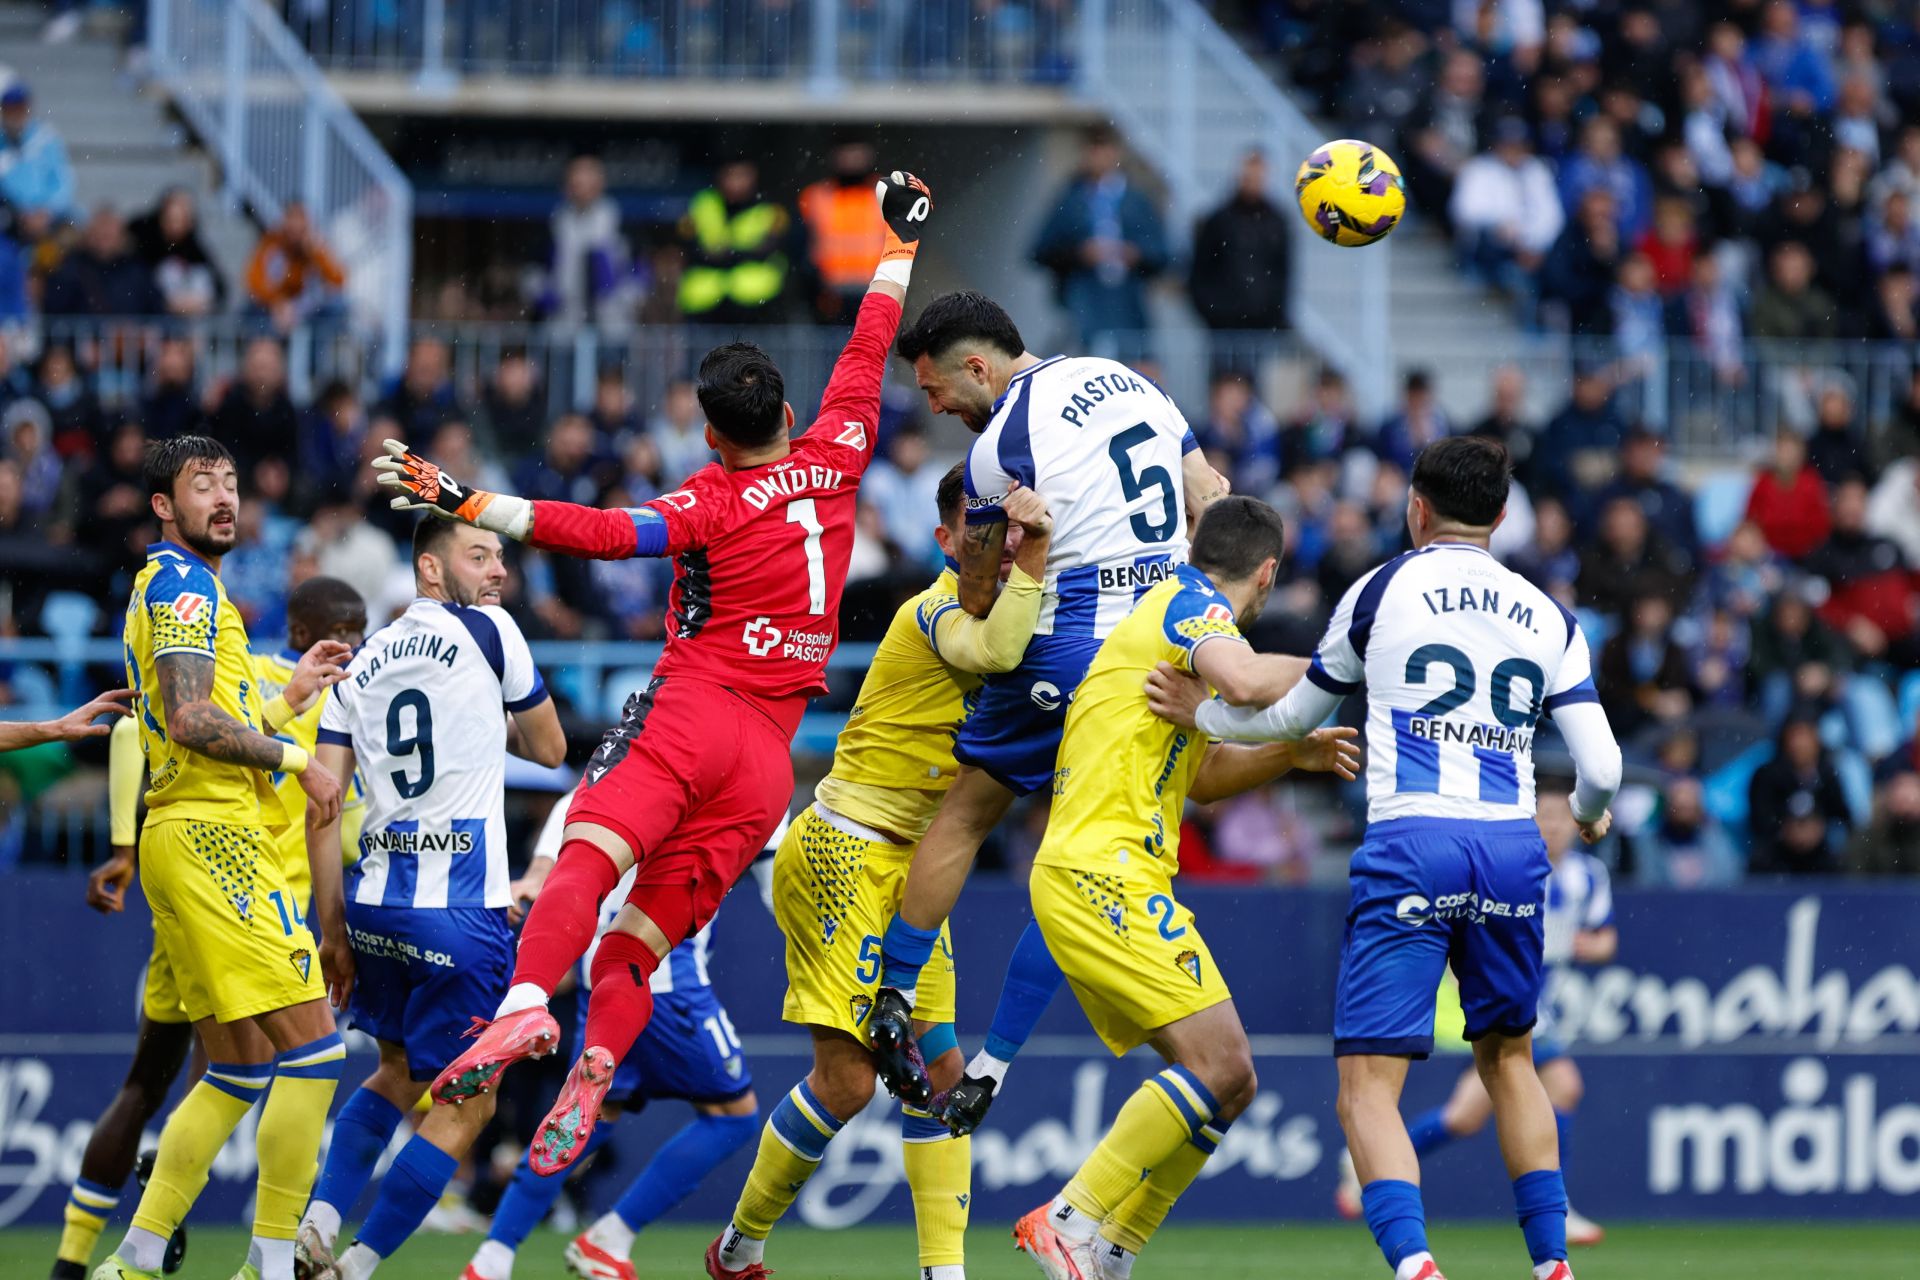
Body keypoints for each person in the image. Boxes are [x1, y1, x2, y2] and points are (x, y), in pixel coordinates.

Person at [378, 173, 932, 1181]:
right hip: (770, 764)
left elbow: (602, 532)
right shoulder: (843, 446)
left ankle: (520, 1011)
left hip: (692, 712)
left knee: (587, 851)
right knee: (639, 941)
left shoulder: (712, 500)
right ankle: (597, 1059)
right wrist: (897, 244)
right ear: (791, 408)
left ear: (712, 434)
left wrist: (469, 500)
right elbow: (869, 341)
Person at [1157, 437, 1622, 1280]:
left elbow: (1294, 717)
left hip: (1414, 842)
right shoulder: (1549, 615)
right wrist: (1587, 817)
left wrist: (1204, 718)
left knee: (1369, 1087)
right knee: (1511, 1058)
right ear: (1504, 518)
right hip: (1513, 847)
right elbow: (1602, 769)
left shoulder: (1382, 589)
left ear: (1415, 507)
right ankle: (1552, 1265)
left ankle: (1415, 1268)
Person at [864, 288, 1231, 1107]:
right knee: (1086, 853)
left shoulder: (1001, 446)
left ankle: (891, 992)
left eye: (934, 392)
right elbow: (1210, 496)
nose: (934, 408)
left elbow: (982, 593)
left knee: (965, 814)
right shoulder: (1134, 382)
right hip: (1162, 647)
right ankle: (993, 1062)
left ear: (976, 365)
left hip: (1067, 650)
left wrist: (1013, 556)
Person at [709, 465, 1051, 1280]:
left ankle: (944, 1273)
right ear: (945, 542)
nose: (1000, 554)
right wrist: (1033, 561)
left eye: (1009, 540)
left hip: (915, 866)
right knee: (850, 1082)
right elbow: (996, 647)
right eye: (983, 537)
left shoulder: (1025, 612)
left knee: (941, 1073)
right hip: (844, 851)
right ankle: (740, 1247)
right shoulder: (932, 610)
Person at [1011, 497, 1360, 1278]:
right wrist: (1349, 663)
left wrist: (1289, 755)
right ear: (1267, 573)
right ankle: (1070, 1218)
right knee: (1223, 1066)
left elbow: (1201, 778)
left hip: (1109, 872)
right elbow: (1244, 681)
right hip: (1102, 872)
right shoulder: (1191, 608)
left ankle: (1110, 1251)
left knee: (1230, 1083)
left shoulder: (1171, 619)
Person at [92, 436, 352, 1280]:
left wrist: (287, 703)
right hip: (213, 836)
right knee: (317, 1053)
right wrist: (298, 758)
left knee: (238, 1068)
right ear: (164, 506)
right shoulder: (183, 585)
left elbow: (202, 725)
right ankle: (272, 1266)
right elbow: (191, 719)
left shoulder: (187, 590)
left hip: (185, 830)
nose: (224, 497)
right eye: (202, 484)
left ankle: (131, 1263)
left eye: (232, 482)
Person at [295, 519, 566, 1280]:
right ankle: (357, 1264)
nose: (498, 572)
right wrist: (490, 729)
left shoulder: (364, 657)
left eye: (502, 559)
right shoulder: (491, 632)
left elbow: (323, 802)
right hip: (462, 910)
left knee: (394, 1073)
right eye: (478, 556)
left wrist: (334, 928)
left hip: (375, 902)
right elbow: (549, 750)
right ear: (429, 566)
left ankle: (317, 1223)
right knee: (471, 1103)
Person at [462, 792, 768, 1280]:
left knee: (580, 1121)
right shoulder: (733, 769)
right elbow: (775, 878)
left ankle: (491, 1260)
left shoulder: (595, 783)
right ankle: (610, 1238)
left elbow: (550, 869)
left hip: (598, 981)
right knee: (733, 1116)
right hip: (667, 977)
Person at [1336, 791, 1615, 1249]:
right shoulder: (1510, 869)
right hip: (1502, 998)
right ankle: (1556, 1212)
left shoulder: (1588, 877)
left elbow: (1606, 939)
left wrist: (1589, 946)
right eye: (1543, 816)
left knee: (1465, 1117)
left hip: (1539, 1003)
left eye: (1560, 817)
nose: (1553, 826)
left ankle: (1363, 1159)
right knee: (1563, 1084)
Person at [1030, 126, 1169, 352]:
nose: (1099, 157)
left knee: (1135, 363)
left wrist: (1136, 254)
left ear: (1117, 153)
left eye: (1104, 149)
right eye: (1093, 150)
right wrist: (1080, 254)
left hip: (1129, 301)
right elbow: (1041, 250)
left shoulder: (1137, 200)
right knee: (1087, 362)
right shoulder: (1070, 200)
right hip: (1083, 300)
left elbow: (1163, 253)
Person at [1188, 149, 1292, 334]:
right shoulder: (1219, 220)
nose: (1253, 182)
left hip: (1262, 324)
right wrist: (1213, 311)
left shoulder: (1277, 222)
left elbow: (1283, 271)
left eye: (1258, 176)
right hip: (1223, 324)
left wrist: (1273, 313)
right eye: (1249, 176)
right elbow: (1201, 269)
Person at [677, 159, 790, 323]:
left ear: (754, 176)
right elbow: (689, 247)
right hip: (704, 302)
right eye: (731, 175)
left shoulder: (770, 209)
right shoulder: (701, 203)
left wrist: (723, 254)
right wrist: (740, 253)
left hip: (755, 301)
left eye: (742, 175)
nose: (735, 183)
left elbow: (770, 250)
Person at [798, 139, 886, 324]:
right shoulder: (817, 196)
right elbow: (804, 243)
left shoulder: (886, 193)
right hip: (830, 294)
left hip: (875, 291)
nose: (852, 163)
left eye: (857, 156)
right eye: (847, 156)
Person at [245, 202, 347, 331]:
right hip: (274, 310)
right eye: (292, 222)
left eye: (300, 226)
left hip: (306, 311)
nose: (295, 230)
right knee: (252, 310)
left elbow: (338, 280)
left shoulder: (315, 250)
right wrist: (278, 303)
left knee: (337, 308)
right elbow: (254, 281)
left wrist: (316, 252)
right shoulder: (273, 244)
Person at [0, 79, 75, 241]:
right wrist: (22, 213)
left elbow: (62, 180)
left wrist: (46, 212)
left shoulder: (46, 139)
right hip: (12, 219)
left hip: (49, 218)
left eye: (19, 109)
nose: (14, 115)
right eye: (10, 110)